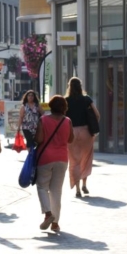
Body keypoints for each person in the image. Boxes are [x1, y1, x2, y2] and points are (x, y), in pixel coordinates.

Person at [34, 96, 74, 234]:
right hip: (62, 158)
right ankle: (55, 223)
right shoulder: (67, 121)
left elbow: (39, 139)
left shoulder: (43, 119)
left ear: (50, 106)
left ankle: (48, 213)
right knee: (56, 190)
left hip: (45, 158)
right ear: (64, 107)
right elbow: (71, 139)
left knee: (42, 187)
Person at [65, 77, 99, 198]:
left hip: (72, 133)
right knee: (86, 159)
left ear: (69, 86)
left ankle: (77, 189)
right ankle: (84, 184)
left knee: (74, 161)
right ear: (80, 86)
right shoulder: (87, 99)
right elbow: (97, 115)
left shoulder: (66, 100)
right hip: (86, 132)